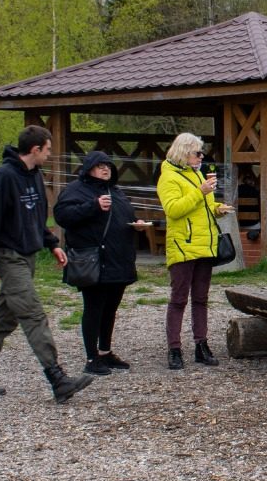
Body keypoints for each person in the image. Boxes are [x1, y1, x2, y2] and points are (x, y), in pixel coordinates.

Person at [0, 125, 94, 403]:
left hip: (28, 257)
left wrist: (52, 243)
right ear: (35, 149)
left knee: (5, 316)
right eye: (47, 150)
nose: (49, 155)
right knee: (33, 315)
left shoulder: (34, 176)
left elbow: (35, 218)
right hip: (9, 258)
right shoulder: (4, 177)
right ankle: (57, 379)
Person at [54, 150, 150, 375]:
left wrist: (136, 223)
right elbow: (62, 216)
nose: (105, 169)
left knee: (110, 309)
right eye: (100, 165)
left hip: (118, 260)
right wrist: (93, 206)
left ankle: (105, 353)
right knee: (94, 309)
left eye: (108, 165)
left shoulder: (115, 190)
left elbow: (125, 214)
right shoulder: (75, 190)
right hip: (93, 260)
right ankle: (91, 359)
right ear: (88, 168)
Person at [157, 133, 234, 370]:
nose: (201, 157)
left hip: (205, 245)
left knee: (201, 299)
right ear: (183, 152)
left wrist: (218, 208)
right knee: (179, 299)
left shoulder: (197, 174)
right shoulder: (168, 177)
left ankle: (202, 345)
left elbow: (205, 206)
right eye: (197, 153)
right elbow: (173, 209)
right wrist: (199, 191)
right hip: (183, 244)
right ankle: (175, 349)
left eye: (202, 153)